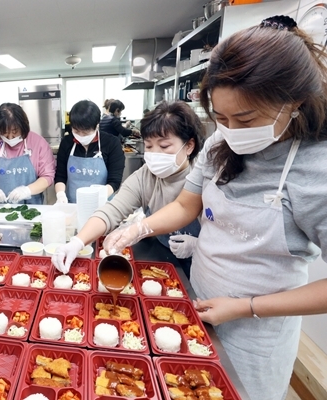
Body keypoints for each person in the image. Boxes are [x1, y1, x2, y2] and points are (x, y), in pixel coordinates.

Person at [101, 16, 327, 400]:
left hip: (256, 332)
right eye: (221, 118)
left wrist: (246, 306)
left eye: (245, 119)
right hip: (196, 304)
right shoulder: (221, 143)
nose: (232, 130)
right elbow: (187, 204)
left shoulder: (316, 169)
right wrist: (137, 229)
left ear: (295, 103)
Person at [52, 100, 203, 277]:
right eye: (148, 146)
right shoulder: (145, 176)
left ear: (189, 146)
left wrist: (200, 244)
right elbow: (112, 210)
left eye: (164, 146)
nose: (155, 154)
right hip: (166, 254)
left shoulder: (203, 175)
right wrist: (78, 241)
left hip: (203, 263)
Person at [0, 103, 55, 204]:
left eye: (14, 133)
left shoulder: (38, 143)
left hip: (32, 209)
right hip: (1, 209)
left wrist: (27, 190)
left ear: (23, 127)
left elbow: (48, 176)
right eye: (5, 134)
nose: (10, 138)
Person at [54, 100, 125, 204]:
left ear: (97, 126)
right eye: (76, 131)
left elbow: (114, 181)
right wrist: (60, 194)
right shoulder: (67, 142)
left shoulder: (111, 143)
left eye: (86, 132)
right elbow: (60, 176)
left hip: (102, 204)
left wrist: (99, 197)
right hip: (72, 204)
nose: (81, 136)